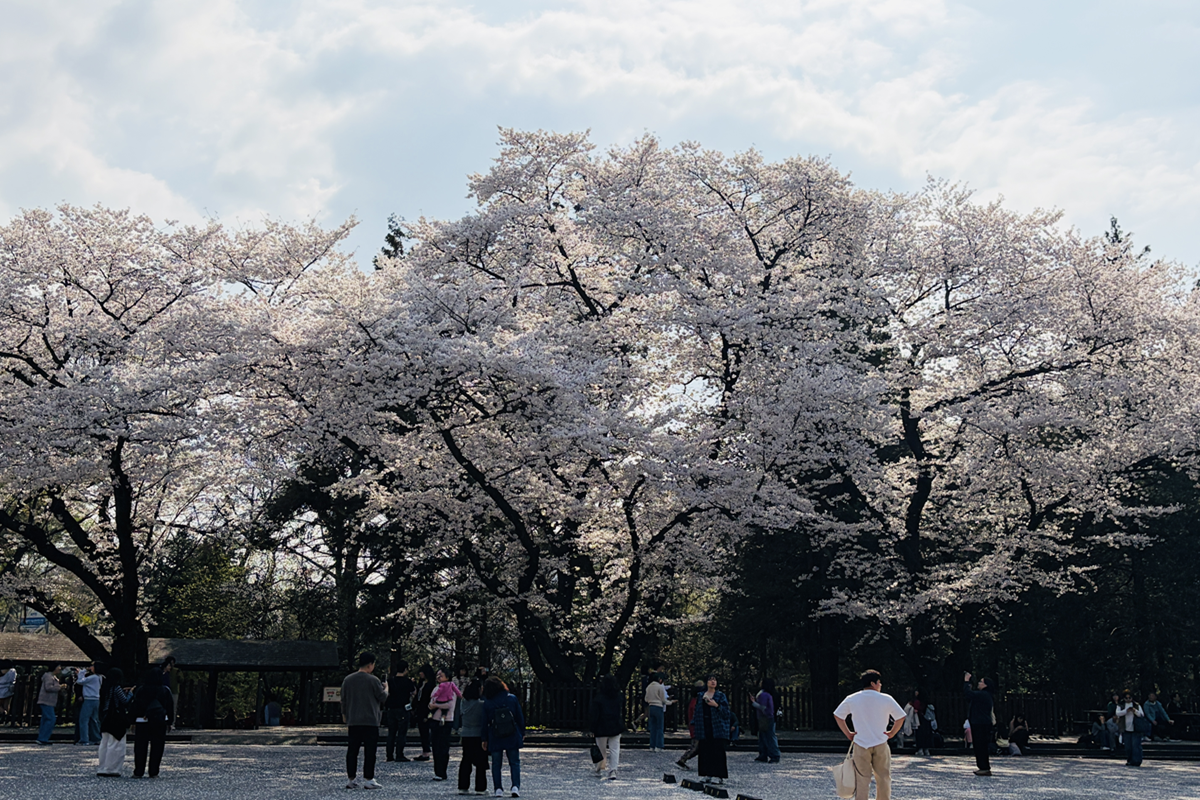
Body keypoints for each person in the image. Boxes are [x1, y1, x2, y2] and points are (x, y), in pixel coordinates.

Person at [833, 670, 905, 800]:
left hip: (861, 742)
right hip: (881, 741)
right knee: (883, 776)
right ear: (873, 683)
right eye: (879, 682)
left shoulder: (853, 698)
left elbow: (838, 715)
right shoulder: (886, 699)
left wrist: (848, 733)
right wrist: (892, 733)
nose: (880, 685)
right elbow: (900, 717)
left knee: (862, 778)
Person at [341, 651, 389, 790]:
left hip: (354, 719)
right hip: (370, 720)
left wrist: (345, 714)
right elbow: (382, 697)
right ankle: (369, 778)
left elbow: (343, 700)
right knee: (370, 751)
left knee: (352, 751)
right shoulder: (373, 680)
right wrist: (386, 689)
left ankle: (351, 778)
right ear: (370, 664)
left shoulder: (348, 680)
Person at [481, 675, 526, 797]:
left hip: (495, 735)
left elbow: (484, 722)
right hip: (512, 733)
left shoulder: (488, 702)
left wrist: (484, 738)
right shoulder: (512, 698)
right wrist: (522, 732)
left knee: (496, 763)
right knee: (514, 762)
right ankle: (515, 786)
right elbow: (519, 717)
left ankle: (498, 789)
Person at [130, 666, 174, 778]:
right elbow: (170, 707)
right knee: (157, 746)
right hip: (159, 720)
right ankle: (154, 771)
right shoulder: (165, 690)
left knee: (140, 746)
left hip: (142, 720)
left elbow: (135, 706)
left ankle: (138, 771)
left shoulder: (141, 689)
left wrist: (132, 721)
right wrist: (170, 722)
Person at [692, 674, 731, 785]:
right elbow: (697, 710)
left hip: (717, 725)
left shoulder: (720, 696)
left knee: (718, 751)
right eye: (710, 680)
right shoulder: (700, 695)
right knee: (705, 750)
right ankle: (706, 774)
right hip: (704, 725)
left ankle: (719, 775)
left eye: (714, 680)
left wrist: (716, 705)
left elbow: (726, 712)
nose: (713, 682)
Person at [430, 667, 464, 781]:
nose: (438, 677)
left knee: (443, 746)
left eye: (441, 675)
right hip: (435, 719)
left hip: (447, 720)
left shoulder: (451, 689)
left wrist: (436, 706)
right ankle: (437, 771)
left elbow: (450, 705)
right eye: (438, 674)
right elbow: (431, 702)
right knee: (435, 746)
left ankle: (442, 771)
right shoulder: (436, 688)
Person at [96, 667, 132, 777]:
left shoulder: (105, 688)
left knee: (105, 744)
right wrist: (130, 693)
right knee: (116, 744)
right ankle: (112, 768)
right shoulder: (116, 688)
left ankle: (102, 767)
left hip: (106, 717)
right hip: (116, 718)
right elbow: (124, 701)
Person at [457, 679, 489, 794]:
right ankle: (480, 787)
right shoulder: (481, 705)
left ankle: (463, 786)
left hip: (465, 733)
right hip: (477, 734)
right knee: (480, 761)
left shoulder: (463, 703)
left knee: (466, 759)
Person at [589, 674, 624, 780]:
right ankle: (613, 770)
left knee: (601, 749)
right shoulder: (619, 696)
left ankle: (599, 768)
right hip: (615, 725)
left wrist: (592, 727)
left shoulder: (599, 697)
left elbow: (594, 714)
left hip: (601, 726)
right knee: (614, 749)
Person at [963, 672, 995, 776]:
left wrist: (966, 682)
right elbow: (969, 697)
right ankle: (983, 766)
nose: (979, 683)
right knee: (980, 746)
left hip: (980, 723)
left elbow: (968, 694)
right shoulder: (984, 695)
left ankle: (984, 767)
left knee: (980, 746)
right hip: (981, 723)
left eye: (981, 682)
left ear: (986, 685)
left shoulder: (984, 694)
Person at [385, 659, 416, 762]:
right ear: (406, 670)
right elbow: (413, 692)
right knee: (402, 733)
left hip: (391, 708)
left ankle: (389, 755)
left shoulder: (390, 681)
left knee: (391, 732)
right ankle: (399, 754)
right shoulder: (407, 682)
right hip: (403, 708)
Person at [675, 680, 705, 771]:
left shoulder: (693, 700)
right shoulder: (697, 702)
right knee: (695, 746)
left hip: (695, 726)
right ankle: (682, 760)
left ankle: (683, 760)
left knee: (698, 746)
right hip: (697, 726)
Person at [749, 677, 780, 763]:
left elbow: (762, 707)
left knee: (767, 736)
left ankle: (771, 754)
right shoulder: (773, 694)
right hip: (771, 717)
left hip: (765, 718)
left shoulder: (763, 694)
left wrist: (753, 703)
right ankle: (769, 754)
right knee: (767, 736)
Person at [36, 663, 68, 745]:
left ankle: (42, 738)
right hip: (46, 701)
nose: (60, 668)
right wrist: (59, 687)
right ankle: (43, 738)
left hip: (48, 701)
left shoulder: (52, 677)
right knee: (51, 719)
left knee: (45, 719)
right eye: (59, 667)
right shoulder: (48, 676)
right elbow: (48, 687)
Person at [644, 671, 674, 752]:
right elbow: (663, 699)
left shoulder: (648, 687)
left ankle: (652, 745)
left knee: (653, 727)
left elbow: (646, 699)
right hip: (658, 706)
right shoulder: (660, 687)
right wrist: (670, 702)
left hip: (651, 707)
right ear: (659, 679)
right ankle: (659, 745)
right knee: (659, 727)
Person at [1115, 690, 1146, 767]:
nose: (1128, 699)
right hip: (1126, 729)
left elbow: (1141, 714)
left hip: (1136, 728)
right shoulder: (1120, 705)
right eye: (1126, 698)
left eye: (1130, 697)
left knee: (1136, 746)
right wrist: (1126, 710)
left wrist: (1134, 711)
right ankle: (1130, 760)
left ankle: (1137, 761)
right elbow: (1118, 713)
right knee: (1128, 747)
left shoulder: (1136, 705)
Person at [76, 662, 104, 746]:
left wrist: (81, 673)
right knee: (94, 719)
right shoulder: (100, 677)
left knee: (83, 719)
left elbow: (80, 681)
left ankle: (84, 739)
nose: (90, 667)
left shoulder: (93, 677)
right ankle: (96, 738)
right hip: (96, 699)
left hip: (89, 699)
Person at [412, 665, 435, 761]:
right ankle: (425, 750)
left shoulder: (430, 685)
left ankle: (426, 751)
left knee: (425, 730)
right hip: (420, 708)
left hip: (426, 708)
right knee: (422, 730)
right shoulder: (421, 683)